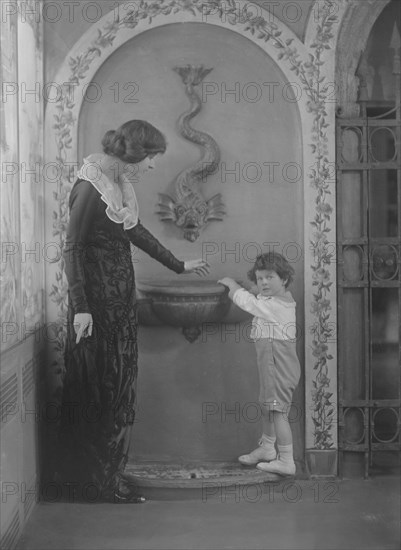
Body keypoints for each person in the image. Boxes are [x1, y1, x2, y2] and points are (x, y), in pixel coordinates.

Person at [57, 120, 210, 503]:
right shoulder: (90, 186)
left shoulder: (116, 186)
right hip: (95, 311)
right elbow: (72, 248)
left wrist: (179, 264)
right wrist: (81, 309)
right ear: (134, 155)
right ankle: (92, 485)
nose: (153, 167)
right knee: (100, 393)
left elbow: (134, 231)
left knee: (117, 390)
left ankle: (107, 481)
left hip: (119, 307)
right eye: (152, 159)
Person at [218, 252, 300, 476]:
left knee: (277, 412)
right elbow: (261, 297)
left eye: (269, 277)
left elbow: (249, 303)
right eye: (260, 277)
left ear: (283, 279)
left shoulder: (275, 307)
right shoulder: (279, 299)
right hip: (272, 366)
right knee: (268, 407)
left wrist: (233, 286)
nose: (263, 282)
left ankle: (286, 461)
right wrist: (253, 287)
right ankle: (266, 448)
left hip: (277, 368)